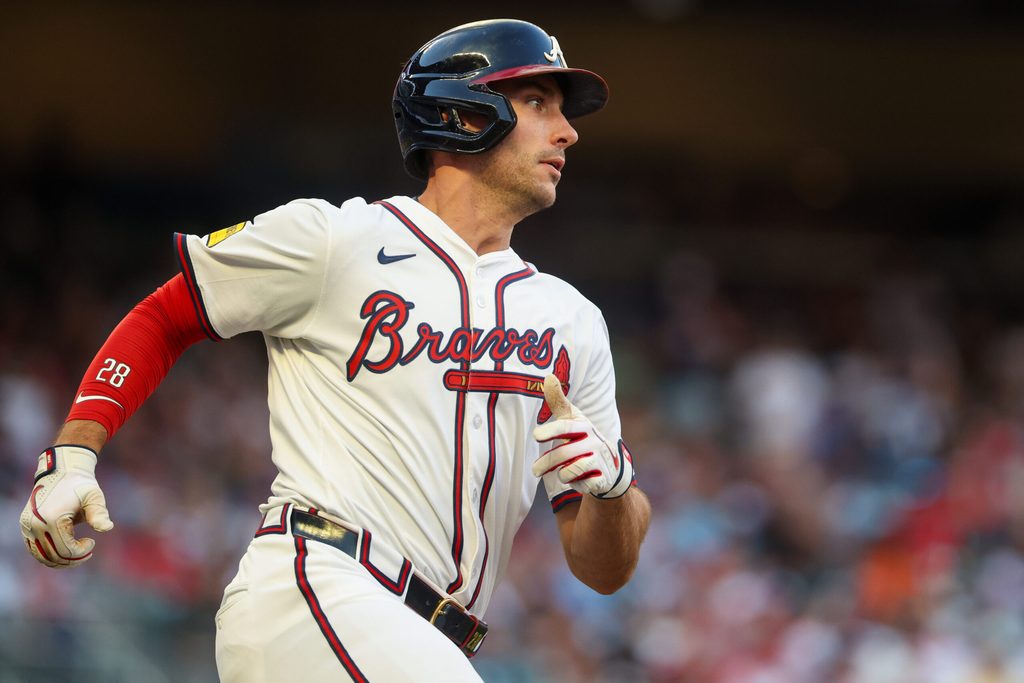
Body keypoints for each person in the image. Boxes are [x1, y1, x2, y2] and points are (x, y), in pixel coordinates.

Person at [20, 18, 651, 681]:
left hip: (427, 637)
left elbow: (602, 570)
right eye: (537, 103)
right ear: (465, 113)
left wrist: (614, 488)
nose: (567, 131)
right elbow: (167, 314)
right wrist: (70, 455)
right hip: (321, 587)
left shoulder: (572, 321)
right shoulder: (335, 239)